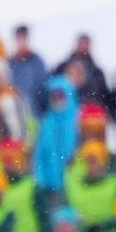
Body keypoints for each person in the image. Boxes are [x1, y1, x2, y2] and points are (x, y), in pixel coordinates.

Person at [35, 75, 79, 206]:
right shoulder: (47, 122)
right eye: (54, 96)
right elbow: (40, 154)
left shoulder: (78, 120)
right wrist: (41, 179)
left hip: (76, 184)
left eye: (61, 95)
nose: (57, 100)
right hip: (51, 185)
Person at [53, 34, 111, 113]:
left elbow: (104, 96)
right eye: (82, 43)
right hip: (65, 113)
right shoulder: (62, 67)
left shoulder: (97, 72)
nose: (84, 46)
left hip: (89, 114)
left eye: (86, 43)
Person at [8, 25, 49, 117]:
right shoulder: (10, 63)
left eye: (24, 38)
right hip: (15, 114)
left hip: (36, 113)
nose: (22, 42)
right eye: (19, 38)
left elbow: (43, 85)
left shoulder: (37, 61)